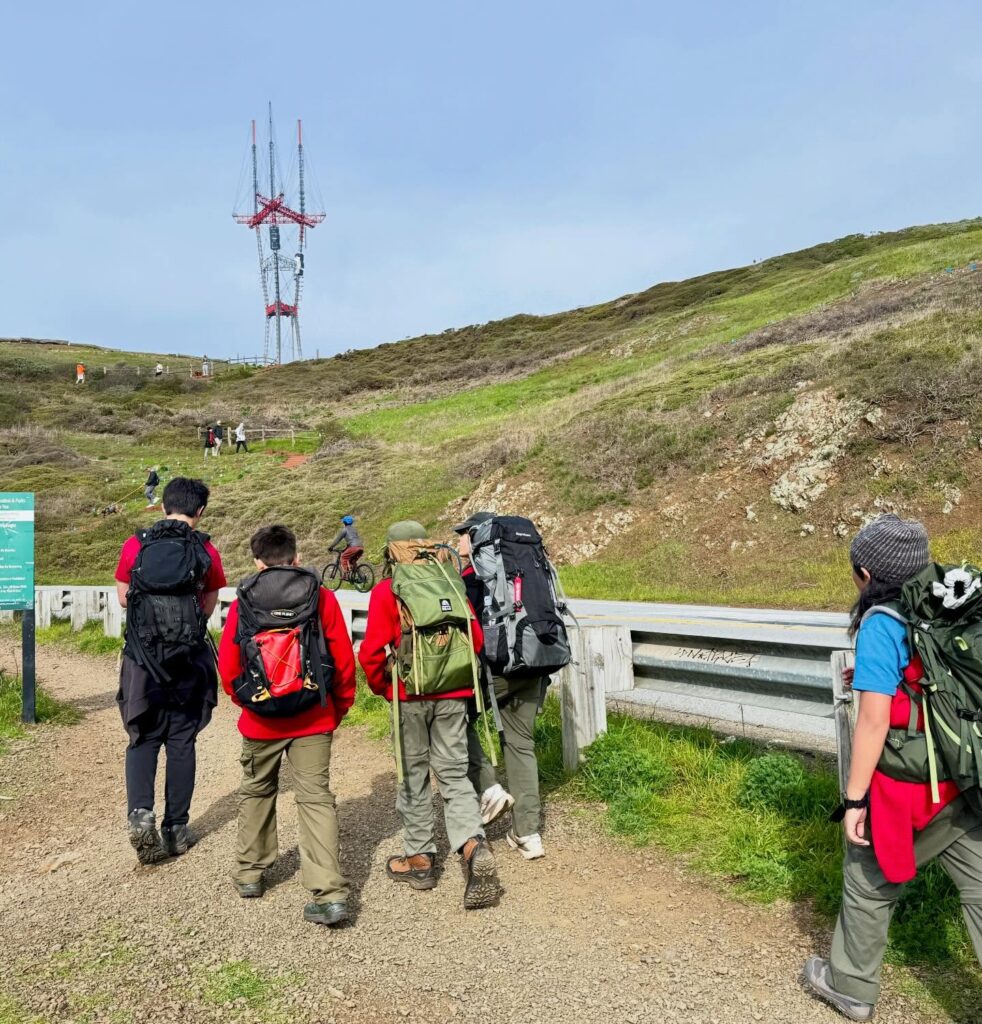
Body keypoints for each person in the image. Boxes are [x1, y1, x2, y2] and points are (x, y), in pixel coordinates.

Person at [803, 515, 982, 1020]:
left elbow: (873, 723)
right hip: (964, 772)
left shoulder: (882, 622)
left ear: (865, 572)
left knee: (867, 877)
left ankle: (850, 987)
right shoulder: (951, 602)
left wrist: (855, 800)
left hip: (910, 787)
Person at [217, 524, 356, 926]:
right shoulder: (321, 595)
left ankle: (250, 874)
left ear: (257, 562)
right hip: (314, 716)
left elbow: (229, 664)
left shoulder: (246, 600)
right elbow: (343, 661)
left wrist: (247, 701)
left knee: (257, 790)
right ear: (296, 557)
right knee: (315, 797)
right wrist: (337, 709)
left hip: (260, 719)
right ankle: (329, 894)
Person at [358, 520, 501, 909]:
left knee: (413, 772)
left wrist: (387, 689)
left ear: (390, 551)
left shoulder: (389, 590)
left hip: (410, 694)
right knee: (454, 773)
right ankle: (472, 848)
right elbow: (477, 638)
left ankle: (420, 859)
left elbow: (371, 652)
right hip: (455, 693)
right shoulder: (449, 581)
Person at [114, 477, 226, 865]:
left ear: (163, 507)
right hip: (188, 659)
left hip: (142, 661)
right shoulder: (206, 548)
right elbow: (209, 605)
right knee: (182, 741)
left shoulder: (136, 544)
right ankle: (176, 829)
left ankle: (141, 815)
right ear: (200, 512)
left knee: (142, 737)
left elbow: (124, 598)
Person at [456, 513, 544, 859]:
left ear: (476, 538)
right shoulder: (529, 565)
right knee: (521, 744)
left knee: (452, 723)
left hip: (497, 669)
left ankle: (488, 787)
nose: (458, 541)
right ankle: (529, 834)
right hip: (534, 661)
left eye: (462, 534)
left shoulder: (474, 576)